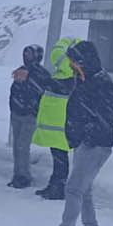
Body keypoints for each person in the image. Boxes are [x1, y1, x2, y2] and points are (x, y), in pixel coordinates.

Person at [37, 41, 113, 226]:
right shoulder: (86, 79)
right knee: (84, 187)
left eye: (73, 62)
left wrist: (88, 135)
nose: (71, 66)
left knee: (73, 188)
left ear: (83, 61)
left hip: (95, 144)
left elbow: (104, 116)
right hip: (86, 141)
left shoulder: (100, 83)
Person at [32, 35, 80, 200]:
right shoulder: (64, 76)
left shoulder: (68, 78)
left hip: (61, 128)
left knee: (60, 159)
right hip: (58, 128)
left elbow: (49, 84)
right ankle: (55, 184)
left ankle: (58, 187)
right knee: (58, 158)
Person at [8, 44, 49, 189]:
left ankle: (23, 176)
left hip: (29, 115)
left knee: (22, 146)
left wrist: (32, 108)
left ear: (37, 56)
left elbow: (40, 93)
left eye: (29, 54)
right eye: (24, 53)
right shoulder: (21, 71)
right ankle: (17, 174)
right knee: (17, 146)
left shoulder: (41, 73)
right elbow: (15, 91)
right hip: (17, 113)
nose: (26, 56)